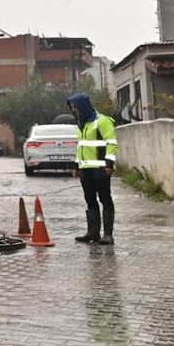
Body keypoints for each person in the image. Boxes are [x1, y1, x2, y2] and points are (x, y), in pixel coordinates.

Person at [68, 92, 118, 245]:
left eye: (75, 107)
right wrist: (76, 166)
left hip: (101, 168)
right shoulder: (81, 124)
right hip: (86, 169)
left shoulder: (101, 121)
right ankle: (93, 233)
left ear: (83, 107)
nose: (73, 111)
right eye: (72, 108)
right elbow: (81, 147)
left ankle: (108, 235)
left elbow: (111, 143)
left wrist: (109, 164)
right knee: (90, 199)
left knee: (105, 199)